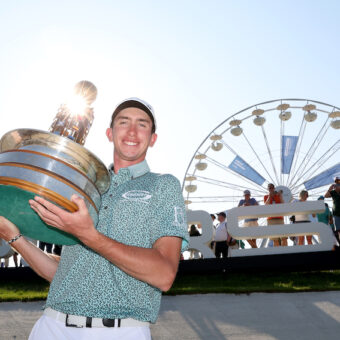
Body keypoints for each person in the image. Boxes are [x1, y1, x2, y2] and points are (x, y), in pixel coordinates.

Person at [0, 97, 189, 340]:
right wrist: (13, 237)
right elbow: (62, 274)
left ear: (152, 138)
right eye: (124, 122)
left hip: (121, 331)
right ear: (110, 133)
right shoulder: (84, 189)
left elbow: (164, 275)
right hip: (52, 326)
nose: (132, 131)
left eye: (142, 124)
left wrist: (89, 235)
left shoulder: (163, 185)